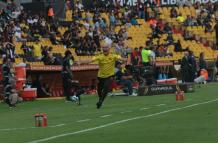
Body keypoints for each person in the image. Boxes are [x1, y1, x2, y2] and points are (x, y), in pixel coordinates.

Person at [79, 43, 127, 109]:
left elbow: (124, 59)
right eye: (103, 48)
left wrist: (123, 64)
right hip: (101, 76)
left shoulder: (113, 56)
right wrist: (81, 62)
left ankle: (101, 101)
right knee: (99, 90)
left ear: (109, 48)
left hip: (110, 76)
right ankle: (100, 100)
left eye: (106, 47)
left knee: (105, 88)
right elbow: (90, 60)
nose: (105, 49)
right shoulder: (99, 56)